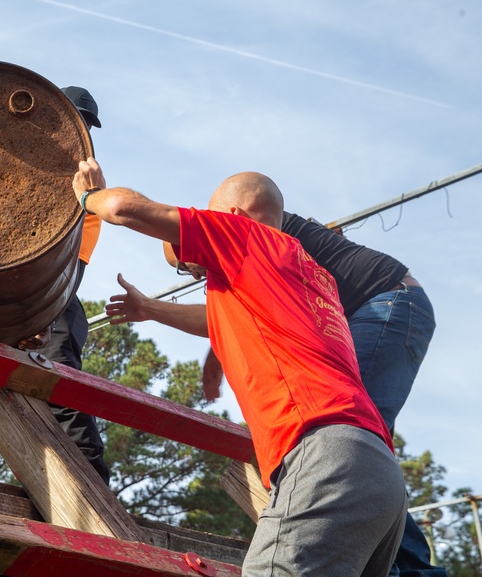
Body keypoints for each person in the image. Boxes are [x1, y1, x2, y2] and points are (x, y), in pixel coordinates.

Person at [78, 161, 407, 576]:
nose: (192, 267)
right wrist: (150, 310)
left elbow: (125, 207)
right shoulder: (309, 274)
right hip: (380, 473)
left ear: (231, 216)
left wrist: (90, 197)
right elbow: (215, 319)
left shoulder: (243, 234)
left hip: (323, 455)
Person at [0, 86, 109, 482]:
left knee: (60, 387)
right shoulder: (5, 162)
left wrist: (42, 308)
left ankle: (91, 486)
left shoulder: (89, 187)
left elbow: (75, 264)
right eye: (72, 122)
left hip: (53, 294)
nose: (77, 133)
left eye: (84, 127)